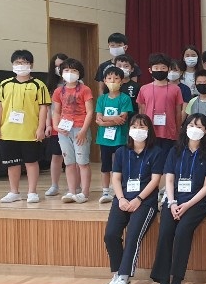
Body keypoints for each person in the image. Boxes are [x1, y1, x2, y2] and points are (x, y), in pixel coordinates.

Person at [150, 113, 206, 284]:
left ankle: (176, 281)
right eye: (191, 125)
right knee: (165, 232)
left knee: (182, 232)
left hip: (197, 202)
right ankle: (163, 281)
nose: (195, 129)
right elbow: (169, 180)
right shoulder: (175, 151)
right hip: (174, 200)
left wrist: (187, 205)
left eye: (199, 127)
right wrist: (172, 202)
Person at [102, 114, 164, 284]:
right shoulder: (122, 152)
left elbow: (155, 180)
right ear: (129, 130)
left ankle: (124, 277)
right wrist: (121, 199)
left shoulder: (156, 152)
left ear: (149, 131)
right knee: (111, 235)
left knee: (132, 236)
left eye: (142, 127)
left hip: (145, 202)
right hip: (122, 199)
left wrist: (139, 199)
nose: (138, 130)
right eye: (135, 126)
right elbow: (116, 178)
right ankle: (117, 274)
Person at [0, 50, 50, 204]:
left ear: (31, 64)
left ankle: (32, 192)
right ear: (12, 64)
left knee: (31, 162)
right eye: (17, 62)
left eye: (24, 62)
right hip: (8, 131)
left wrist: (41, 128)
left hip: (30, 131)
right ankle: (14, 192)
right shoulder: (4, 84)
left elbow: (43, 108)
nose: (20, 65)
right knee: (12, 163)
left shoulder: (39, 85)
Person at [53, 58, 95, 204]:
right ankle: (72, 191)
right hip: (64, 130)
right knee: (69, 162)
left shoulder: (85, 89)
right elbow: (56, 111)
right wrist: (56, 126)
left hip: (80, 129)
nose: (70, 73)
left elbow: (90, 112)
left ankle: (85, 192)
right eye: (66, 70)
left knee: (82, 162)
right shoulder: (59, 91)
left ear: (79, 73)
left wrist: (83, 130)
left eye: (74, 70)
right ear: (61, 72)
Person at [95, 66, 134, 204]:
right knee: (105, 166)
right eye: (109, 78)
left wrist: (104, 120)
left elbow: (122, 119)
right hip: (104, 139)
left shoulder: (125, 98)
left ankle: (120, 190)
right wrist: (113, 119)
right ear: (105, 81)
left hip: (120, 139)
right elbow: (98, 119)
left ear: (121, 81)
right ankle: (105, 191)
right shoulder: (102, 99)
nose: (112, 81)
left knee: (120, 165)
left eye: (116, 78)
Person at [138, 53, 185, 157]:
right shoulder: (144, 89)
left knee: (167, 161)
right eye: (156, 68)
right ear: (150, 70)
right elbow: (142, 111)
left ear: (168, 69)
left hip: (169, 132)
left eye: (163, 68)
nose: (159, 70)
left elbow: (178, 112)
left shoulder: (176, 89)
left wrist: (178, 131)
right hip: (149, 132)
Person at [43, 52, 69, 197]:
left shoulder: (78, 83)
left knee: (73, 157)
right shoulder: (50, 86)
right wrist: (48, 125)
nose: (59, 69)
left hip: (73, 124)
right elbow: (48, 109)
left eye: (62, 65)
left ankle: (75, 186)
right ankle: (54, 185)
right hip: (56, 124)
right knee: (56, 155)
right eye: (57, 66)